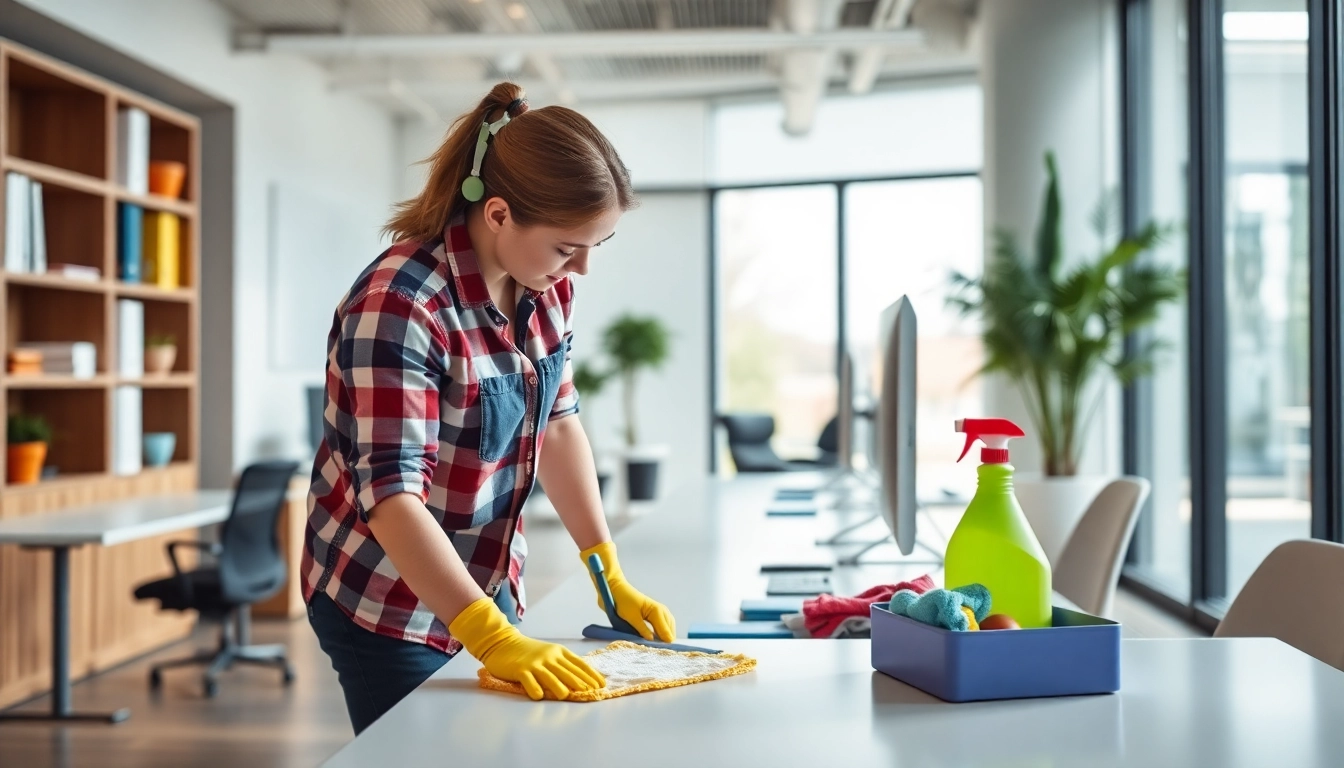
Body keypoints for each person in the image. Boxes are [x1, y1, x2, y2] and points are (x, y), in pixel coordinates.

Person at [301, 82, 676, 735]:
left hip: (488, 577)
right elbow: (392, 499)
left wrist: (604, 564)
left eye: (597, 246)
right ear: (498, 214)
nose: (582, 269)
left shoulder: (544, 288)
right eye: (568, 247)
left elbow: (558, 428)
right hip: (390, 600)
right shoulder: (400, 304)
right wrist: (488, 635)